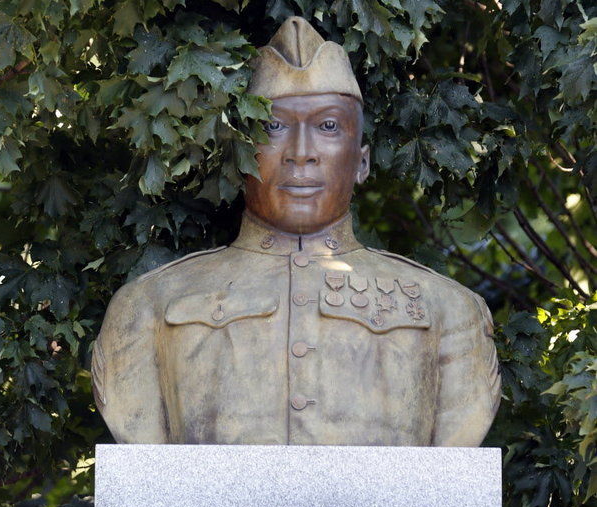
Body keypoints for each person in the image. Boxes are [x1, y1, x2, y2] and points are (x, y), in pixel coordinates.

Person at [92, 16, 500, 446]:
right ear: (240, 156)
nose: (301, 154)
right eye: (273, 126)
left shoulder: (450, 311)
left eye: (328, 127)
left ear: (362, 162)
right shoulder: (147, 307)